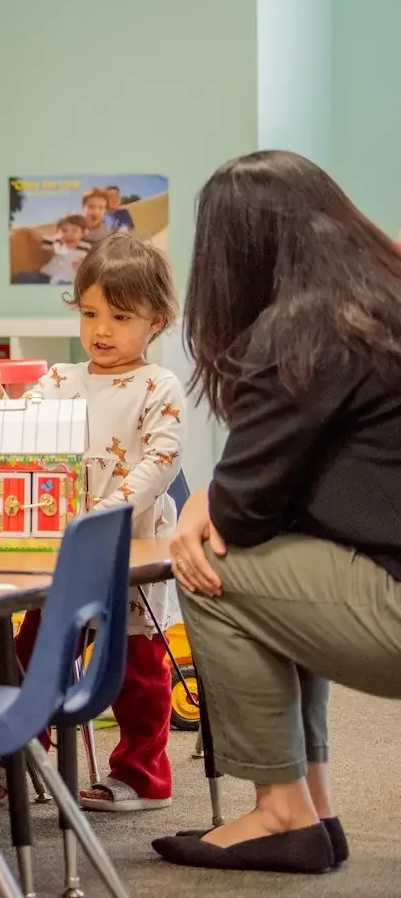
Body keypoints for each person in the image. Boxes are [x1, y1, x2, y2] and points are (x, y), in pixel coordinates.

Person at [152, 150, 401, 874]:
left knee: (210, 563)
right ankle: (315, 806)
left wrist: (203, 499)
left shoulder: (305, 327)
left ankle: (282, 810)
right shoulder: (378, 302)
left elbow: (246, 507)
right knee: (279, 560)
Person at [0, 233, 186, 811]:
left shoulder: (159, 387)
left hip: (128, 554)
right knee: (35, 656)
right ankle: (18, 753)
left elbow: (160, 461)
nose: (101, 329)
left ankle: (142, 775)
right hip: (58, 556)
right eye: (89, 313)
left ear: (155, 321)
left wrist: (100, 520)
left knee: (136, 671)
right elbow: (19, 436)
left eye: (120, 316)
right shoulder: (59, 380)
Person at [43, 213, 89, 285]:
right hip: (48, 275)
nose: (68, 235)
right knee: (24, 276)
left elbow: (92, 261)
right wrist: (58, 237)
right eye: (64, 231)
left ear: (83, 233)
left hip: (69, 280)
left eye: (74, 231)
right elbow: (44, 242)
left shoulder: (85, 248)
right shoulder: (57, 243)